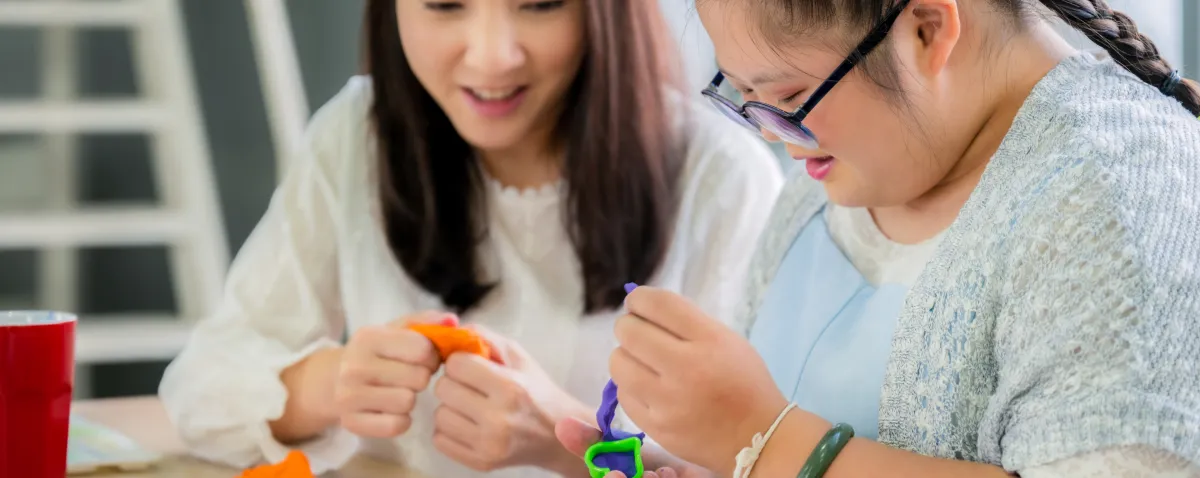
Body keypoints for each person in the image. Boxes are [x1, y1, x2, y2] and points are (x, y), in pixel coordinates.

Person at [557, 0, 1200, 476]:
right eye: (743, 97)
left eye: (785, 99)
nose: (777, 140)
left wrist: (764, 440)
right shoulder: (836, 178)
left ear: (928, 29)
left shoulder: (1137, 212)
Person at [157, 0, 783, 476]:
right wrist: (331, 381)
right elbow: (196, 391)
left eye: (538, 4)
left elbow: (756, 462)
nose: (490, 57)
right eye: (444, 3)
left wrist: (562, 438)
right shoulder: (357, 136)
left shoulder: (722, 176)